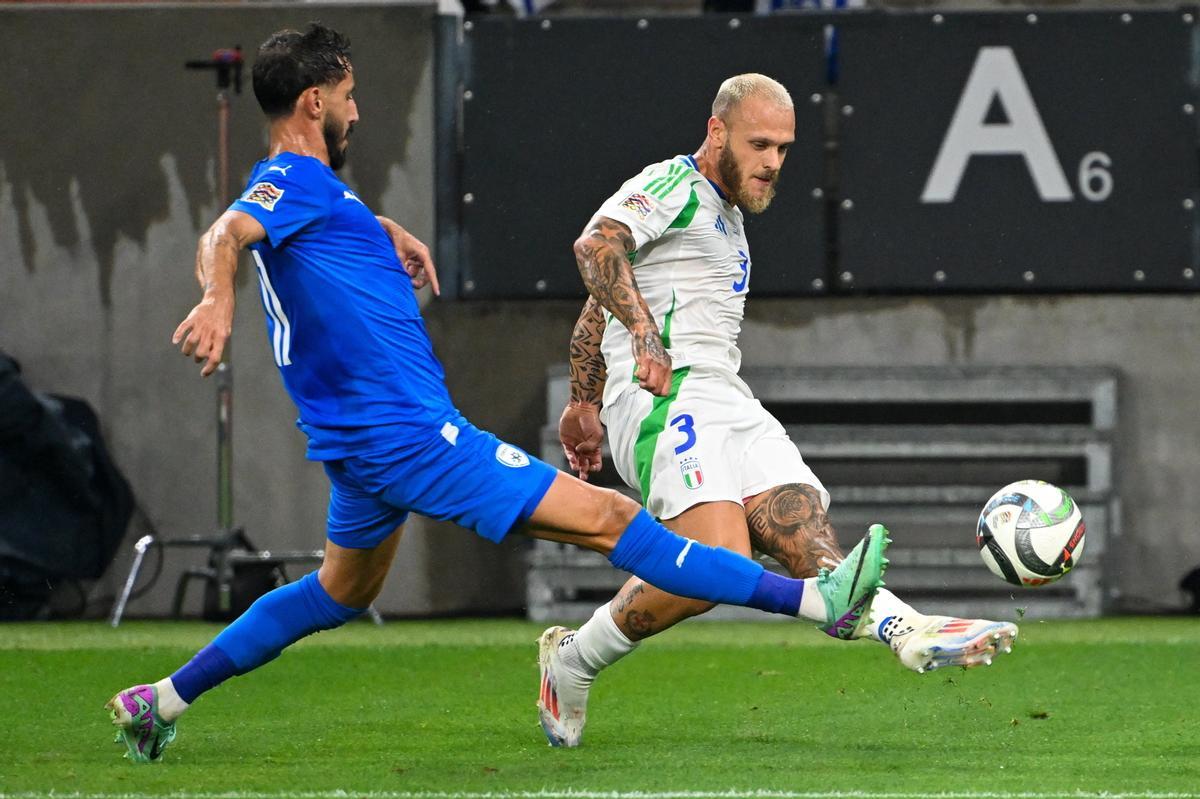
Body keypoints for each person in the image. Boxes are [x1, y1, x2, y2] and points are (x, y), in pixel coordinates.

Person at [104, 26, 891, 764]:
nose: (356, 110)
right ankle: (819, 603)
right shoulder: (286, 181)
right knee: (614, 518)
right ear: (315, 102)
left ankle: (161, 700)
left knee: (337, 591)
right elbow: (229, 233)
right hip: (410, 435)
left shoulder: (317, 196)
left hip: (353, 446)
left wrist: (383, 228)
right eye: (347, 96)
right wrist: (217, 297)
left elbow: (298, 224)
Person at [537, 73, 1019, 748]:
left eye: (785, 148)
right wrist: (639, 346)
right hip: (662, 396)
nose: (772, 161)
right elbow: (596, 247)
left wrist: (579, 404)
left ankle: (903, 627)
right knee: (715, 561)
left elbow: (598, 307)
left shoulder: (728, 218)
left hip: (728, 397)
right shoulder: (673, 184)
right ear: (716, 132)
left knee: (804, 533)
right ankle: (573, 659)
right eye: (759, 143)